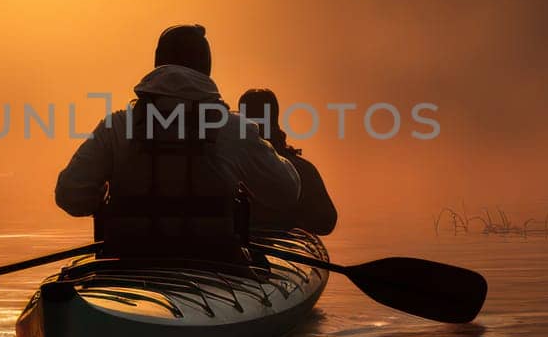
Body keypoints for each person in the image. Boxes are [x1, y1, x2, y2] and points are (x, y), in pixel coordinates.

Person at [55, 25, 301, 256]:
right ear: (206, 66)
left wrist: (99, 198)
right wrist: (275, 152)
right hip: (214, 267)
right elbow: (286, 193)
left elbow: (69, 196)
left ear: (157, 63)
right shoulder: (233, 129)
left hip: (125, 263)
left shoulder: (117, 126)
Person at [236, 88, 338, 236]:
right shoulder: (303, 168)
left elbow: (326, 222)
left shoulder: (232, 165)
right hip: (288, 248)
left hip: (254, 248)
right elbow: (326, 223)